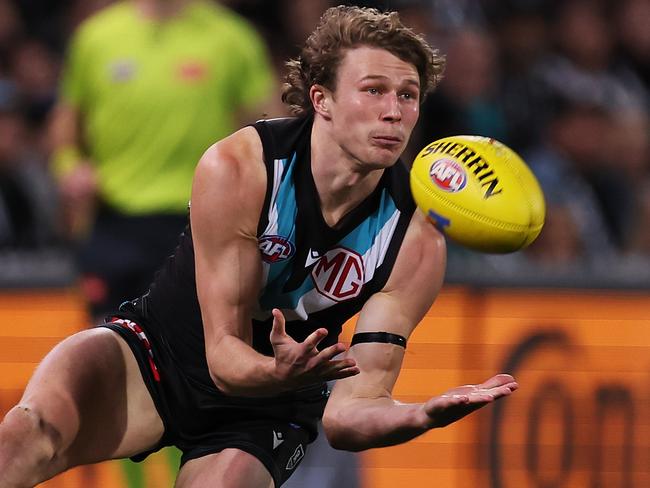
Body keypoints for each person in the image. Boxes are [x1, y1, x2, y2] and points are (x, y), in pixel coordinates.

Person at [0, 6, 518, 488]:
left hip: (269, 408)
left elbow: (348, 414)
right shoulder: (240, 168)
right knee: (24, 436)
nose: (393, 112)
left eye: (407, 95)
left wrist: (416, 415)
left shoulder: (415, 241)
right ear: (322, 101)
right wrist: (275, 368)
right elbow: (224, 355)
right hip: (158, 354)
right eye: (374, 90)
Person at [48, 0, 276, 318]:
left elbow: (266, 126)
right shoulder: (96, 37)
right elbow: (67, 120)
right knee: (105, 344)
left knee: (189, 346)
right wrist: (68, 167)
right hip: (113, 220)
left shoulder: (232, 38)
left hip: (200, 222)